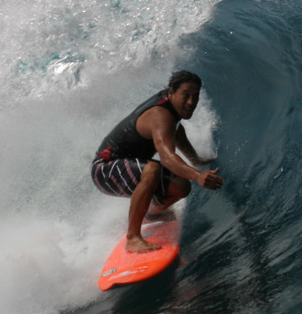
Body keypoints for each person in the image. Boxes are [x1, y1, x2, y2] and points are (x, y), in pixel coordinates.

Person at [91, 70, 224, 253]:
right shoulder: (160, 114)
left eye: (195, 96)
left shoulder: (172, 110)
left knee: (182, 186)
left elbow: (175, 131)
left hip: (125, 167)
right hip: (104, 170)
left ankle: (152, 214)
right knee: (152, 169)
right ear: (171, 92)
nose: (191, 102)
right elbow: (167, 159)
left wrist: (195, 160)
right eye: (186, 95)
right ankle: (133, 238)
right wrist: (198, 175)